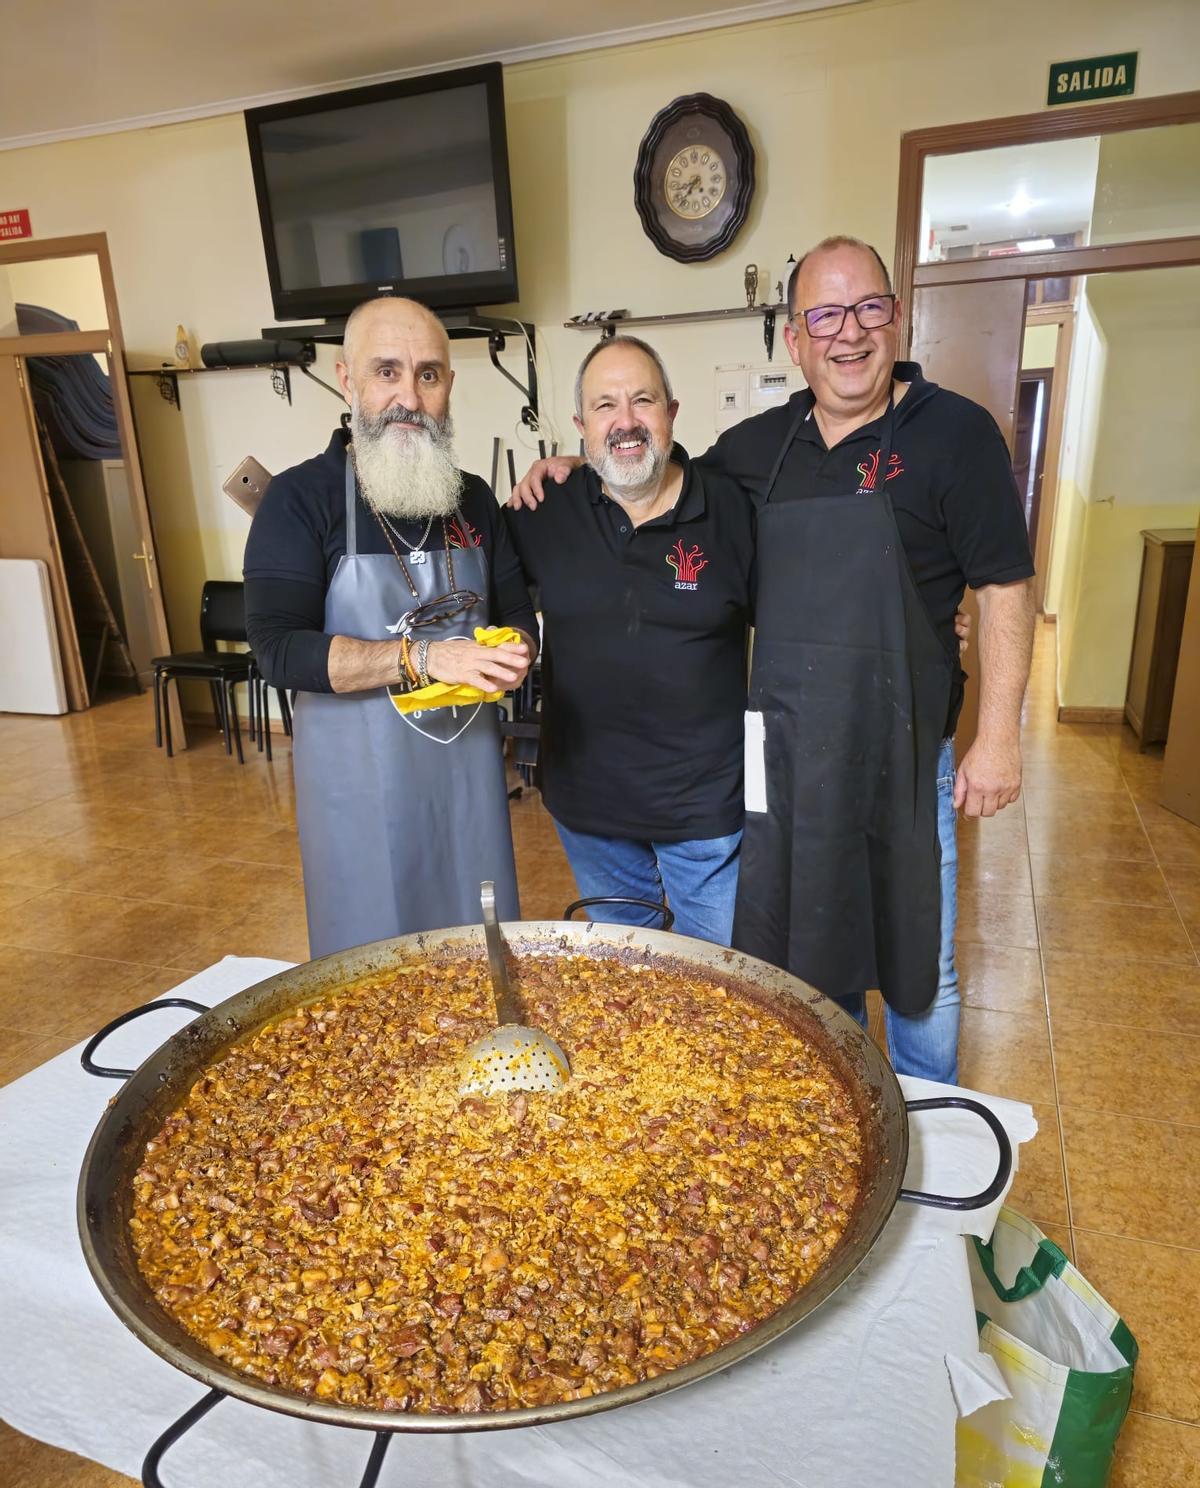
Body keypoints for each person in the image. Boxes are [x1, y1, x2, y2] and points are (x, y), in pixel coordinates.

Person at [509, 237, 1034, 1083]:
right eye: (824, 315)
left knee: (918, 968)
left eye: (868, 308)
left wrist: (1000, 735)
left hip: (905, 758)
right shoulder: (756, 450)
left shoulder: (956, 435)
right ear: (796, 339)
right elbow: (651, 479)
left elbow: (1007, 586)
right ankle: (839, 1122)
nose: (848, 334)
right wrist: (579, 469)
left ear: (895, 318)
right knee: (804, 956)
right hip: (786, 760)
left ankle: (933, 1152)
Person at [245, 297, 537, 959]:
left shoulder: (475, 500)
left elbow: (517, 615)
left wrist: (518, 651)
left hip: (470, 798)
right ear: (348, 380)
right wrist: (427, 659)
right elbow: (278, 649)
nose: (410, 396)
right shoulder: (300, 500)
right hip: (359, 802)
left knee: (478, 960)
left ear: (449, 387)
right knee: (374, 980)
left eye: (429, 375)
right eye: (388, 372)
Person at [506, 335, 754, 943]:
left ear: (671, 411)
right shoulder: (545, 508)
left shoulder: (732, 510)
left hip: (706, 809)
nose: (625, 422)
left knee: (717, 981)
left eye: (642, 400)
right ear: (581, 427)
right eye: (605, 406)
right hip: (590, 810)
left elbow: (799, 627)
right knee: (631, 975)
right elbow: (477, 580)